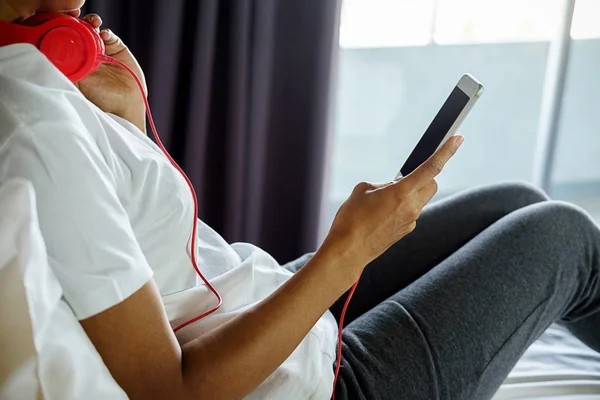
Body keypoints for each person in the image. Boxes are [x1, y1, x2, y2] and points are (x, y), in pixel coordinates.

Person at [0, 1, 599, 399]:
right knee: (566, 236)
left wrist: (130, 121)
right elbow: (171, 392)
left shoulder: (39, 81)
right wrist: (346, 251)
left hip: (250, 304)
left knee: (512, 200)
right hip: (315, 388)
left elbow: (144, 237)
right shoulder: (35, 126)